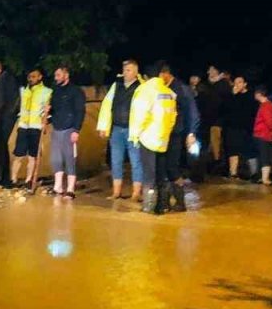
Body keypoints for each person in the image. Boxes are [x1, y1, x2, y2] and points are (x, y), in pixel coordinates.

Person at [129, 61, 178, 214]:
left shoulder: (145, 90)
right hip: (163, 139)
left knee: (149, 174)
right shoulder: (168, 92)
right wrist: (166, 132)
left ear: (145, 77)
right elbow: (173, 116)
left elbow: (140, 115)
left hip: (148, 138)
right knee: (161, 173)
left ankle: (149, 206)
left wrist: (135, 135)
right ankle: (163, 205)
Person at [96, 59, 145, 201]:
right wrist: (103, 126)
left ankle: (136, 193)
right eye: (124, 70)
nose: (125, 73)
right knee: (116, 161)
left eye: (128, 70)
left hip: (133, 130)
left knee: (136, 162)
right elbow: (107, 105)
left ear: (135, 72)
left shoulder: (141, 87)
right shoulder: (116, 85)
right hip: (116, 129)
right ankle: (116, 192)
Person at [48, 65, 86, 198]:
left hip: (69, 129)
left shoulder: (76, 91)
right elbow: (53, 110)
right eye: (55, 75)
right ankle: (57, 187)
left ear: (66, 75)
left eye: (58, 75)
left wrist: (76, 130)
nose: (56, 78)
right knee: (56, 159)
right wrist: (48, 116)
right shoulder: (55, 91)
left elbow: (80, 111)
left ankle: (70, 189)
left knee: (70, 159)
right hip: (57, 129)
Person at [162, 64, 200, 193]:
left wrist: (191, 133)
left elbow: (192, 111)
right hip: (164, 132)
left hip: (177, 132)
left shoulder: (182, 89)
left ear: (166, 74)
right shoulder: (162, 88)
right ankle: (166, 195)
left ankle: (179, 196)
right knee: (164, 165)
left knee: (173, 165)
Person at [12, 67, 52, 188]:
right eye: (29, 77)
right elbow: (17, 107)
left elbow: (49, 112)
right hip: (23, 126)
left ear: (40, 77)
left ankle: (29, 180)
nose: (31, 79)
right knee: (18, 155)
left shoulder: (47, 92)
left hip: (36, 127)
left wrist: (46, 121)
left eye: (34, 76)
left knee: (32, 156)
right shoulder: (23, 91)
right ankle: (13, 179)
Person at [223, 74, 256, 179]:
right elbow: (225, 109)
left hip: (246, 128)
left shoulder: (250, 96)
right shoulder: (231, 96)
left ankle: (253, 173)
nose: (237, 85)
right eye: (235, 82)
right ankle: (233, 172)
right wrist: (233, 95)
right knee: (232, 149)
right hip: (233, 127)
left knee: (248, 151)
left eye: (240, 82)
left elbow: (251, 111)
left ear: (245, 84)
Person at [252, 84, 272, 186]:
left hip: (263, 134)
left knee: (264, 156)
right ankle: (262, 177)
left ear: (259, 94)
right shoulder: (268, 105)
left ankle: (265, 178)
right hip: (263, 134)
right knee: (263, 156)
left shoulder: (265, 106)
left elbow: (269, 121)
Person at [199, 65, 228, 166]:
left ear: (216, 71)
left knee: (216, 144)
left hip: (218, 120)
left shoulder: (222, 85)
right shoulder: (208, 85)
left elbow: (221, 103)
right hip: (208, 120)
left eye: (211, 70)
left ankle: (218, 163)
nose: (208, 72)